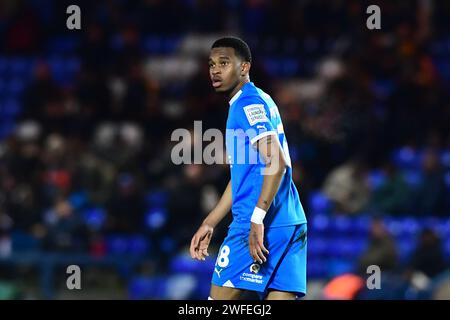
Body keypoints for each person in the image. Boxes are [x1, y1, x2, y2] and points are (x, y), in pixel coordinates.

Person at [189, 37, 308, 300]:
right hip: (290, 221)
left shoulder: (246, 105)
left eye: (224, 63)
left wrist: (256, 219)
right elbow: (242, 178)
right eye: (211, 64)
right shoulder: (263, 99)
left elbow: (276, 162)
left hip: (255, 224)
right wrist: (210, 222)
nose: (215, 70)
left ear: (244, 67)